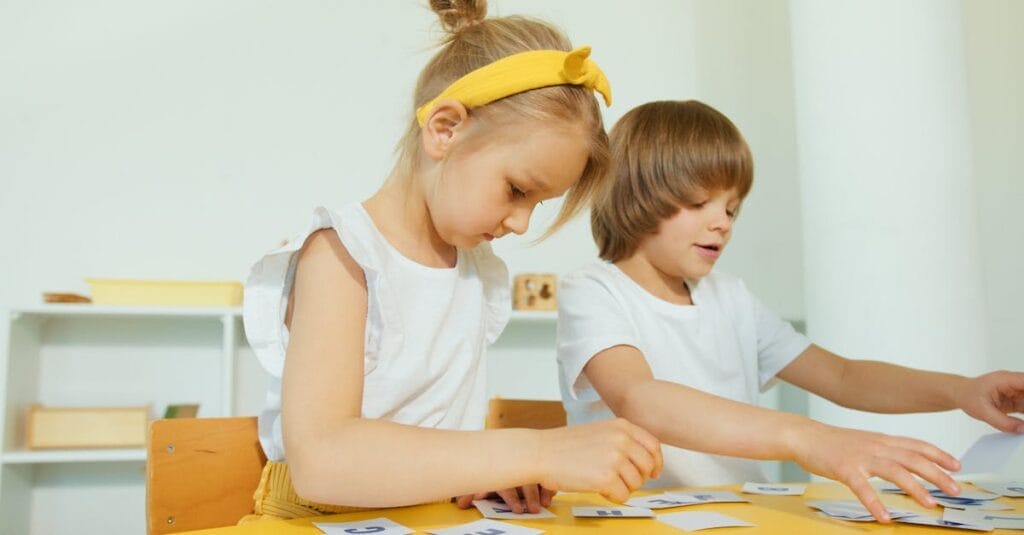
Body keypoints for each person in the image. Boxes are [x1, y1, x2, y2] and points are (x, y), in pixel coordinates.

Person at [240, 0, 662, 521]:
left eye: (538, 204)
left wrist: (487, 475)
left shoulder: (474, 271)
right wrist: (534, 451)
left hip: (431, 517)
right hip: (319, 519)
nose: (522, 223)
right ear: (445, 129)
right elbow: (323, 459)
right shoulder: (341, 256)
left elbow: (430, 444)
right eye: (516, 190)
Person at [557, 99, 1024, 522]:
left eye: (732, 209)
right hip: (632, 519)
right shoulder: (595, 291)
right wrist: (806, 437)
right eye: (700, 203)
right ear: (635, 197)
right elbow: (641, 399)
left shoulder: (730, 295)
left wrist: (962, 390)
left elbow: (842, 377)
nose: (721, 223)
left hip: (739, 516)